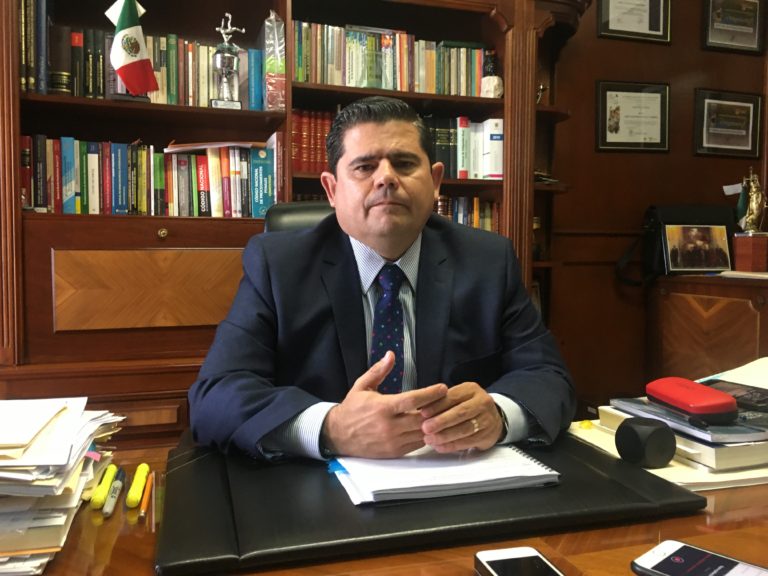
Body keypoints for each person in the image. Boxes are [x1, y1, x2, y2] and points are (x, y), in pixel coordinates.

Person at [188, 96, 575, 461]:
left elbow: (549, 377)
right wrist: (332, 428)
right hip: (323, 490)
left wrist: (499, 415)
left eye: (404, 164)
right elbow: (215, 396)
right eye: (364, 167)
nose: (386, 178)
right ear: (332, 189)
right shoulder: (277, 265)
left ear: (436, 182)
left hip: (456, 479)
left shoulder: (488, 261)